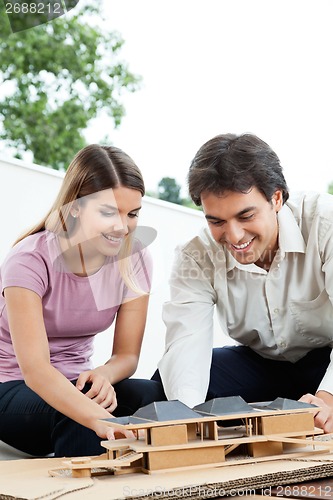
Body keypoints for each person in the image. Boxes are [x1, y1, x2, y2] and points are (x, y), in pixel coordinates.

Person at [155, 133, 333, 433]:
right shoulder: (196, 256)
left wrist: (328, 398)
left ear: (276, 198)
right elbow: (186, 343)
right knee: (166, 389)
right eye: (217, 222)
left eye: (246, 215)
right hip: (263, 365)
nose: (235, 236)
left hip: (326, 361)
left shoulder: (325, 223)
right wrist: (185, 423)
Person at [0, 144, 165, 457]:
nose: (122, 226)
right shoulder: (29, 259)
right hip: (12, 386)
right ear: (74, 206)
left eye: (132, 214)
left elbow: (127, 356)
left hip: (76, 380)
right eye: (108, 212)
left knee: (154, 396)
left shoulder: (135, 258)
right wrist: (97, 418)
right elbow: (35, 370)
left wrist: (103, 375)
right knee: (79, 417)